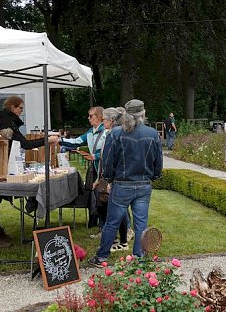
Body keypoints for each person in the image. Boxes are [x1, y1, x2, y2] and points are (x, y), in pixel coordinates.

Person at [90, 99, 163, 266]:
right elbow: (158, 161)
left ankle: (102, 257)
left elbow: (107, 160)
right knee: (141, 224)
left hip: (122, 185)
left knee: (112, 223)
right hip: (143, 185)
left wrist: (107, 179)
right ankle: (139, 258)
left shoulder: (116, 133)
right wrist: (155, 176)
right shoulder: (152, 133)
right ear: (143, 114)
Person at [0, 95, 59, 247]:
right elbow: (24, 144)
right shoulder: (6, 120)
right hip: (0, 164)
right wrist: (47, 140)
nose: (21, 112)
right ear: (12, 107)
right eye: (20, 108)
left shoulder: (2, 118)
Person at [60, 106, 107, 228]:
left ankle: (126, 228)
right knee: (99, 199)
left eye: (91, 116)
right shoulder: (90, 132)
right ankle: (102, 227)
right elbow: (76, 141)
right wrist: (60, 140)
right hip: (97, 170)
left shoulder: (107, 131)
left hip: (106, 170)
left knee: (108, 199)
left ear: (101, 117)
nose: (89, 118)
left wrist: (95, 156)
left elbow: (110, 150)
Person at [95, 107, 129, 252]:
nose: (102, 123)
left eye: (104, 120)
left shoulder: (117, 135)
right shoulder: (110, 133)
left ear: (111, 120)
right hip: (107, 176)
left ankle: (121, 240)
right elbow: (104, 158)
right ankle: (116, 239)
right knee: (104, 206)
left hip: (114, 178)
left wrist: (109, 181)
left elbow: (112, 159)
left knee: (116, 211)